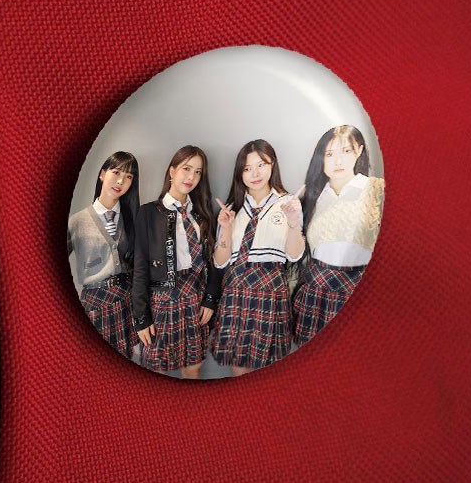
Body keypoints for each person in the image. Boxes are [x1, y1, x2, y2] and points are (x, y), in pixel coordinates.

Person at [209, 139, 304, 375]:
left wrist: (293, 223)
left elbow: (294, 256)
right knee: (238, 367)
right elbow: (220, 261)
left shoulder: (288, 204)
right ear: (240, 173)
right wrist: (226, 228)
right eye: (247, 168)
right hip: (236, 291)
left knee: (268, 371)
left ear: (273, 165)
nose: (255, 174)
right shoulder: (232, 208)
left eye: (261, 165)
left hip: (270, 291)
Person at [293, 125, 385, 346]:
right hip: (317, 291)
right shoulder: (312, 197)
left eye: (346, 151)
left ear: (359, 151)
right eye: (329, 154)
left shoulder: (376, 190)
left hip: (358, 288)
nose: (338, 161)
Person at [132, 145, 215, 379]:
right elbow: (140, 266)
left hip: (195, 301)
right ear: (172, 171)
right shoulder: (149, 213)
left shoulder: (202, 214)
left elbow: (212, 263)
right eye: (186, 169)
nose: (191, 177)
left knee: (194, 368)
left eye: (198, 172)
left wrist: (210, 298)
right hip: (162, 302)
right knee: (157, 371)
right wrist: (141, 317)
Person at [67, 151, 141, 358]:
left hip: (127, 301)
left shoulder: (133, 219)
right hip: (95, 303)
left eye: (128, 176)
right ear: (102, 174)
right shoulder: (77, 222)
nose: (121, 181)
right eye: (116, 172)